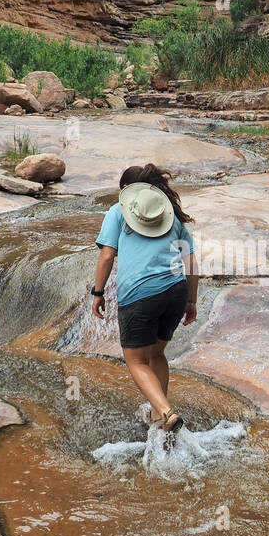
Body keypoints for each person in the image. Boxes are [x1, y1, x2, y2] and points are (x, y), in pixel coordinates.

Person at [91, 163, 199, 432]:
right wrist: (191, 301)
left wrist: (98, 292)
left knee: (136, 360)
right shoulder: (171, 217)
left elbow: (106, 255)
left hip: (139, 294)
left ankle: (166, 413)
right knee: (157, 353)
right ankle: (158, 420)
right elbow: (192, 262)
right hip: (175, 290)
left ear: (127, 192)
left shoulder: (117, 212)